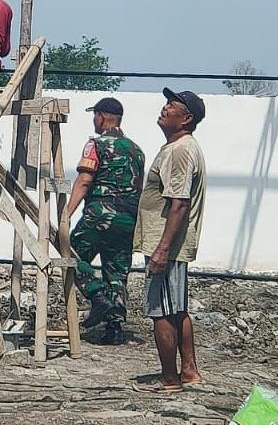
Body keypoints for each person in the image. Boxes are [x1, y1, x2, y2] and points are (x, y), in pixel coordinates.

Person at [132, 88, 207, 393]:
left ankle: (169, 378)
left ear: (186, 118)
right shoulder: (179, 147)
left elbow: (179, 203)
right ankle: (189, 371)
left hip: (166, 245)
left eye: (172, 106)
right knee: (176, 308)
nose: (164, 109)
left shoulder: (180, 151)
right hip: (170, 242)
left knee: (161, 312)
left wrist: (161, 250)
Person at [64, 97, 145, 345]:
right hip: (128, 219)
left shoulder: (96, 145)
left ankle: (97, 295)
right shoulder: (137, 151)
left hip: (100, 213)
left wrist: (66, 214)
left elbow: (85, 180)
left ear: (101, 116)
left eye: (95, 116)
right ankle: (114, 329)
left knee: (69, 255)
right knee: (117, 272)